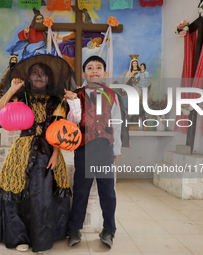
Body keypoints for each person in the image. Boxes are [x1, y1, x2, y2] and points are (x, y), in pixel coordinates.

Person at [0, 55, 78, 253]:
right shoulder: (20, 96)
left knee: (43, 195)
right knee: (19, 192)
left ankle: (43, 237)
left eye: (43, 74)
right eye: (35, 72)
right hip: (22, 151)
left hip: (49, 150)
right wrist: (12, 89)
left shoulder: (57, 100)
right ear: (29, 77)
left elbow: (59, 128)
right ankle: (20, 237)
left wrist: (56, 154)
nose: (39, 76)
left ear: (49, 79)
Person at [66, 56, 129, 249]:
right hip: (84, 148)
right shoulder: (77, 95)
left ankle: (109, 229)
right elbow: (71, 122)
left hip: (105, 149)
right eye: (90, 68)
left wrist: (116, 150)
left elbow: (117, 124)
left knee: (108, 192)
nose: (94, 71)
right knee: (80, 190)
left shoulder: (113, 95)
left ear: (104, 73)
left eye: (99, 67)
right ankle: (74, 229)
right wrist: (73, 103)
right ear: (84, 73)